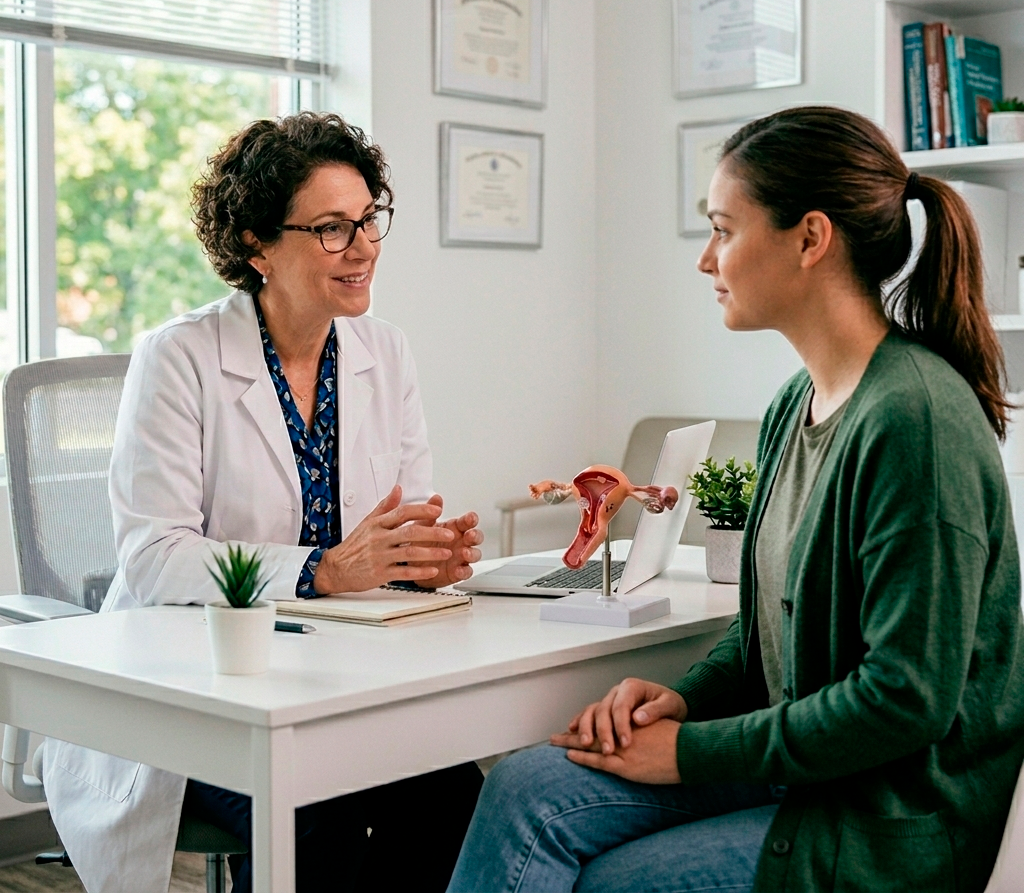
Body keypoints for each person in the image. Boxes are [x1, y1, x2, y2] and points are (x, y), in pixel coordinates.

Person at [448, 106, 1024, 893]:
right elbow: (766, 633)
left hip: (888, 817)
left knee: (611, 881)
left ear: (810, 239)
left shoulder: (913, 421)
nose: (706, 260)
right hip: (803, 767)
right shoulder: (796, 403)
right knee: (525, 788)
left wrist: (690, 754)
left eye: (724, 229)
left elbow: (905, 700)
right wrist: (682, 701)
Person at [42, 112, 484, 893]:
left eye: (369, 219)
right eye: (331, 228)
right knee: (317, 812)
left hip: (336, 673)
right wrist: (324, 569)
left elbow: (401, 515)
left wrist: (425, 556)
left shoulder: (385, 351)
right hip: (195, 684)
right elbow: (154, 556)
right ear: (255, 244)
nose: (364, 248)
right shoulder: (179, 357)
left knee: (453, 797)